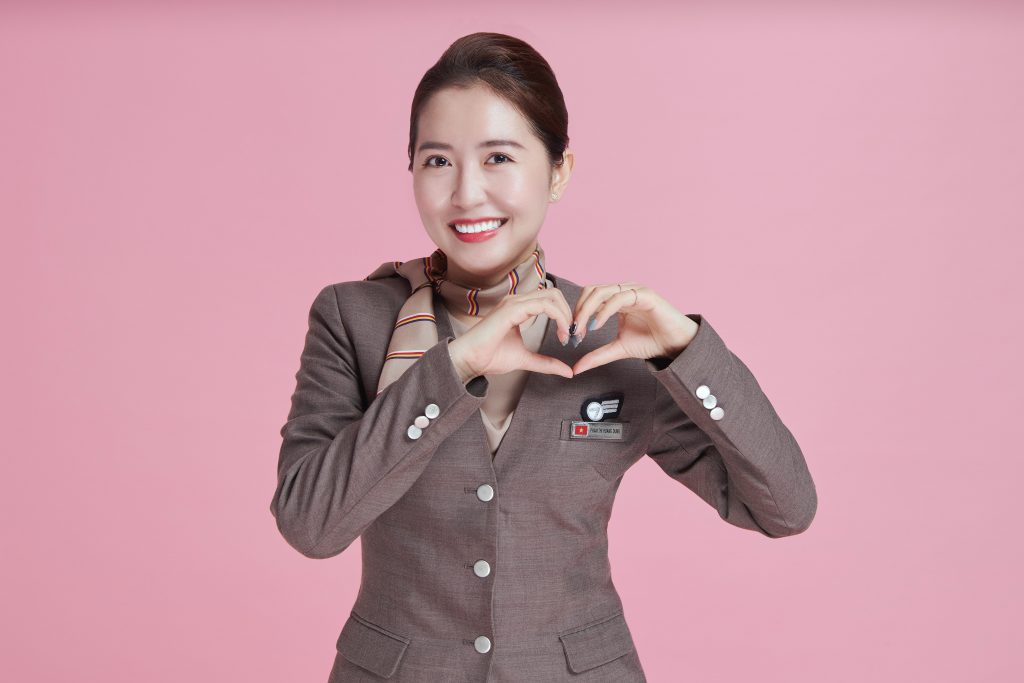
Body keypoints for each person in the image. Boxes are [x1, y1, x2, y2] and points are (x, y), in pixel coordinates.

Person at [270, 31, 817, 682]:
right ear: (411, 169)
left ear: (558, 172)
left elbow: (784, 506)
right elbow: (310, 523)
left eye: (498, 157)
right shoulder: (354, 318)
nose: (466, 193)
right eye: (438, 161)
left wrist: (687, 350)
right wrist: (454, 367)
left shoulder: (613, 335)